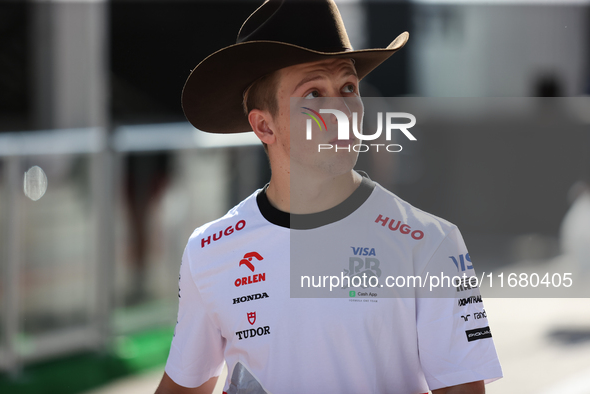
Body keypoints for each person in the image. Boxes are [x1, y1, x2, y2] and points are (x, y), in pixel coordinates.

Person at [156, 1, 502, 393]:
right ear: (264, 125)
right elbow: (184, 385)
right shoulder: (209, 249)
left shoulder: (432, 243)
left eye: (348, 87)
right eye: (315, 93)